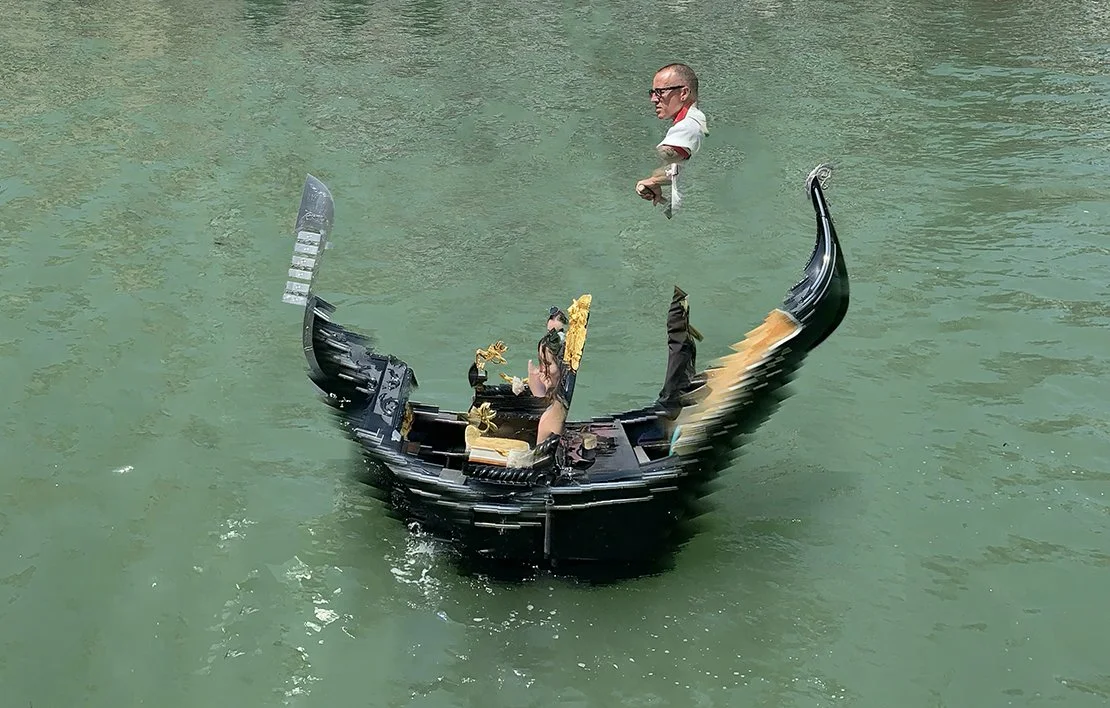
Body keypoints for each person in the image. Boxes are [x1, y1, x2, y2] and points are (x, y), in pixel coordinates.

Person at [635, 63, 708, 214]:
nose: (653, 99)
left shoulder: (688, 126)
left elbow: (667, 157)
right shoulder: (695, 122)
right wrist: (655, 181)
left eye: (660, 92)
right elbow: (684, 169)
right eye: (652, 92)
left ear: (683, 93)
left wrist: (653, 179)